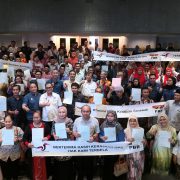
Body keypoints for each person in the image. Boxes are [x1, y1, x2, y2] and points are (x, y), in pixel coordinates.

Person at [73, 105, 100, 180]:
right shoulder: (77, 120)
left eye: (87, 111)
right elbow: (74, 131)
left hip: (89, 145)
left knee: (89, 166)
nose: (85, 113)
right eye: (84, 111)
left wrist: (93, 137)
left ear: (90, 112)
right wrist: (75, 134)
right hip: (79, 145)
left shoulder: (95, 120)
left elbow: (97, 132)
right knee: (79, 166)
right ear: (81, 112)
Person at [23, 111, 51, 179]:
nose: (36, 119)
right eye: (34, 117)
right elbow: (24, 138)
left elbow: (50, 134)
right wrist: (28, 144)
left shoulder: (45, 125)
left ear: (40, 118)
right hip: (32, 150)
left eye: (37, 117)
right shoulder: (29, 126)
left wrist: (47, 138)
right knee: (33, 167)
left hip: (44, 150)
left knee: (44, 165)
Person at [99, 111, 125, 180]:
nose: (110, 118)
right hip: (106, 150)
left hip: (115, 150)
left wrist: (121, 151)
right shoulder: (103, 124)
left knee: (114, 167)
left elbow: (121, 138)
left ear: (115, 117)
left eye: (112, 116)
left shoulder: (118, 125)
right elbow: (100, 135)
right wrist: (102, 137)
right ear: (106, 116)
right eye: (108, 116)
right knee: (106, 167)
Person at [51, 106, 75, 180]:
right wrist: (54, 135)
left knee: (67, 164)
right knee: (58, 164)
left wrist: (70, 131)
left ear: (66, 113)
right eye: (60, 112)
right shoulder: (54, 121)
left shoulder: (70, 121)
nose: (61, 114)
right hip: (58, 144)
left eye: (63, 112)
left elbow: (73, 136)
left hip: (67, 145)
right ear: (58, 113)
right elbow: (52, 131)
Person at [0, 115, 24, 179]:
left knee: (15, 174)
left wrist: (18, 139)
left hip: (15, 155)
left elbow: (23, 138)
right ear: (4, 122)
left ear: (12, 121)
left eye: (9, 121)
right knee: (7, 175)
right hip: (4, 156)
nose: (7, 123)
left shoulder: (17, 129)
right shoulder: (1, 131)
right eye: (6, 121)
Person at [124, 114, 146, 180]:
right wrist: (128, 141)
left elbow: (144, 142)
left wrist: (144, 141)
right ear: (128, 122)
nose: (132, 122)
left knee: (138, 170)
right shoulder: (125, 131)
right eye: (131, 121)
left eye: (134, 121)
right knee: (131, 170)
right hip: (130, 154)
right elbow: (123, 144)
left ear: (137, 121)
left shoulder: (141, 130)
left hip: (139, 154)